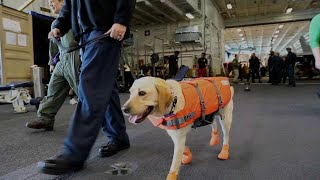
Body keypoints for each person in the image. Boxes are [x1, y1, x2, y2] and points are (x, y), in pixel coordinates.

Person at [38, 0, 136, 175]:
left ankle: (74, 154)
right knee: (106, 87)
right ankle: (119, 137)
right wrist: (60, 24)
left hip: (105, 30)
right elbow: (70, 4)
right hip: (85, 35)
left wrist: (121, 19)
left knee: (90, 88)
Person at [26, 0, 81, 131]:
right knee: (53, 89)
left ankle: (100, 118)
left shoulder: (75, 17)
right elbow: (53, 45)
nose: (50, 4)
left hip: (75, 55)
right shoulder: (54, 24)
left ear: (64, 2)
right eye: (49, 2)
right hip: (62, 59)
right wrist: (51, 63)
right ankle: (45, 119)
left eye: (53, 1)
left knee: (82, 91)